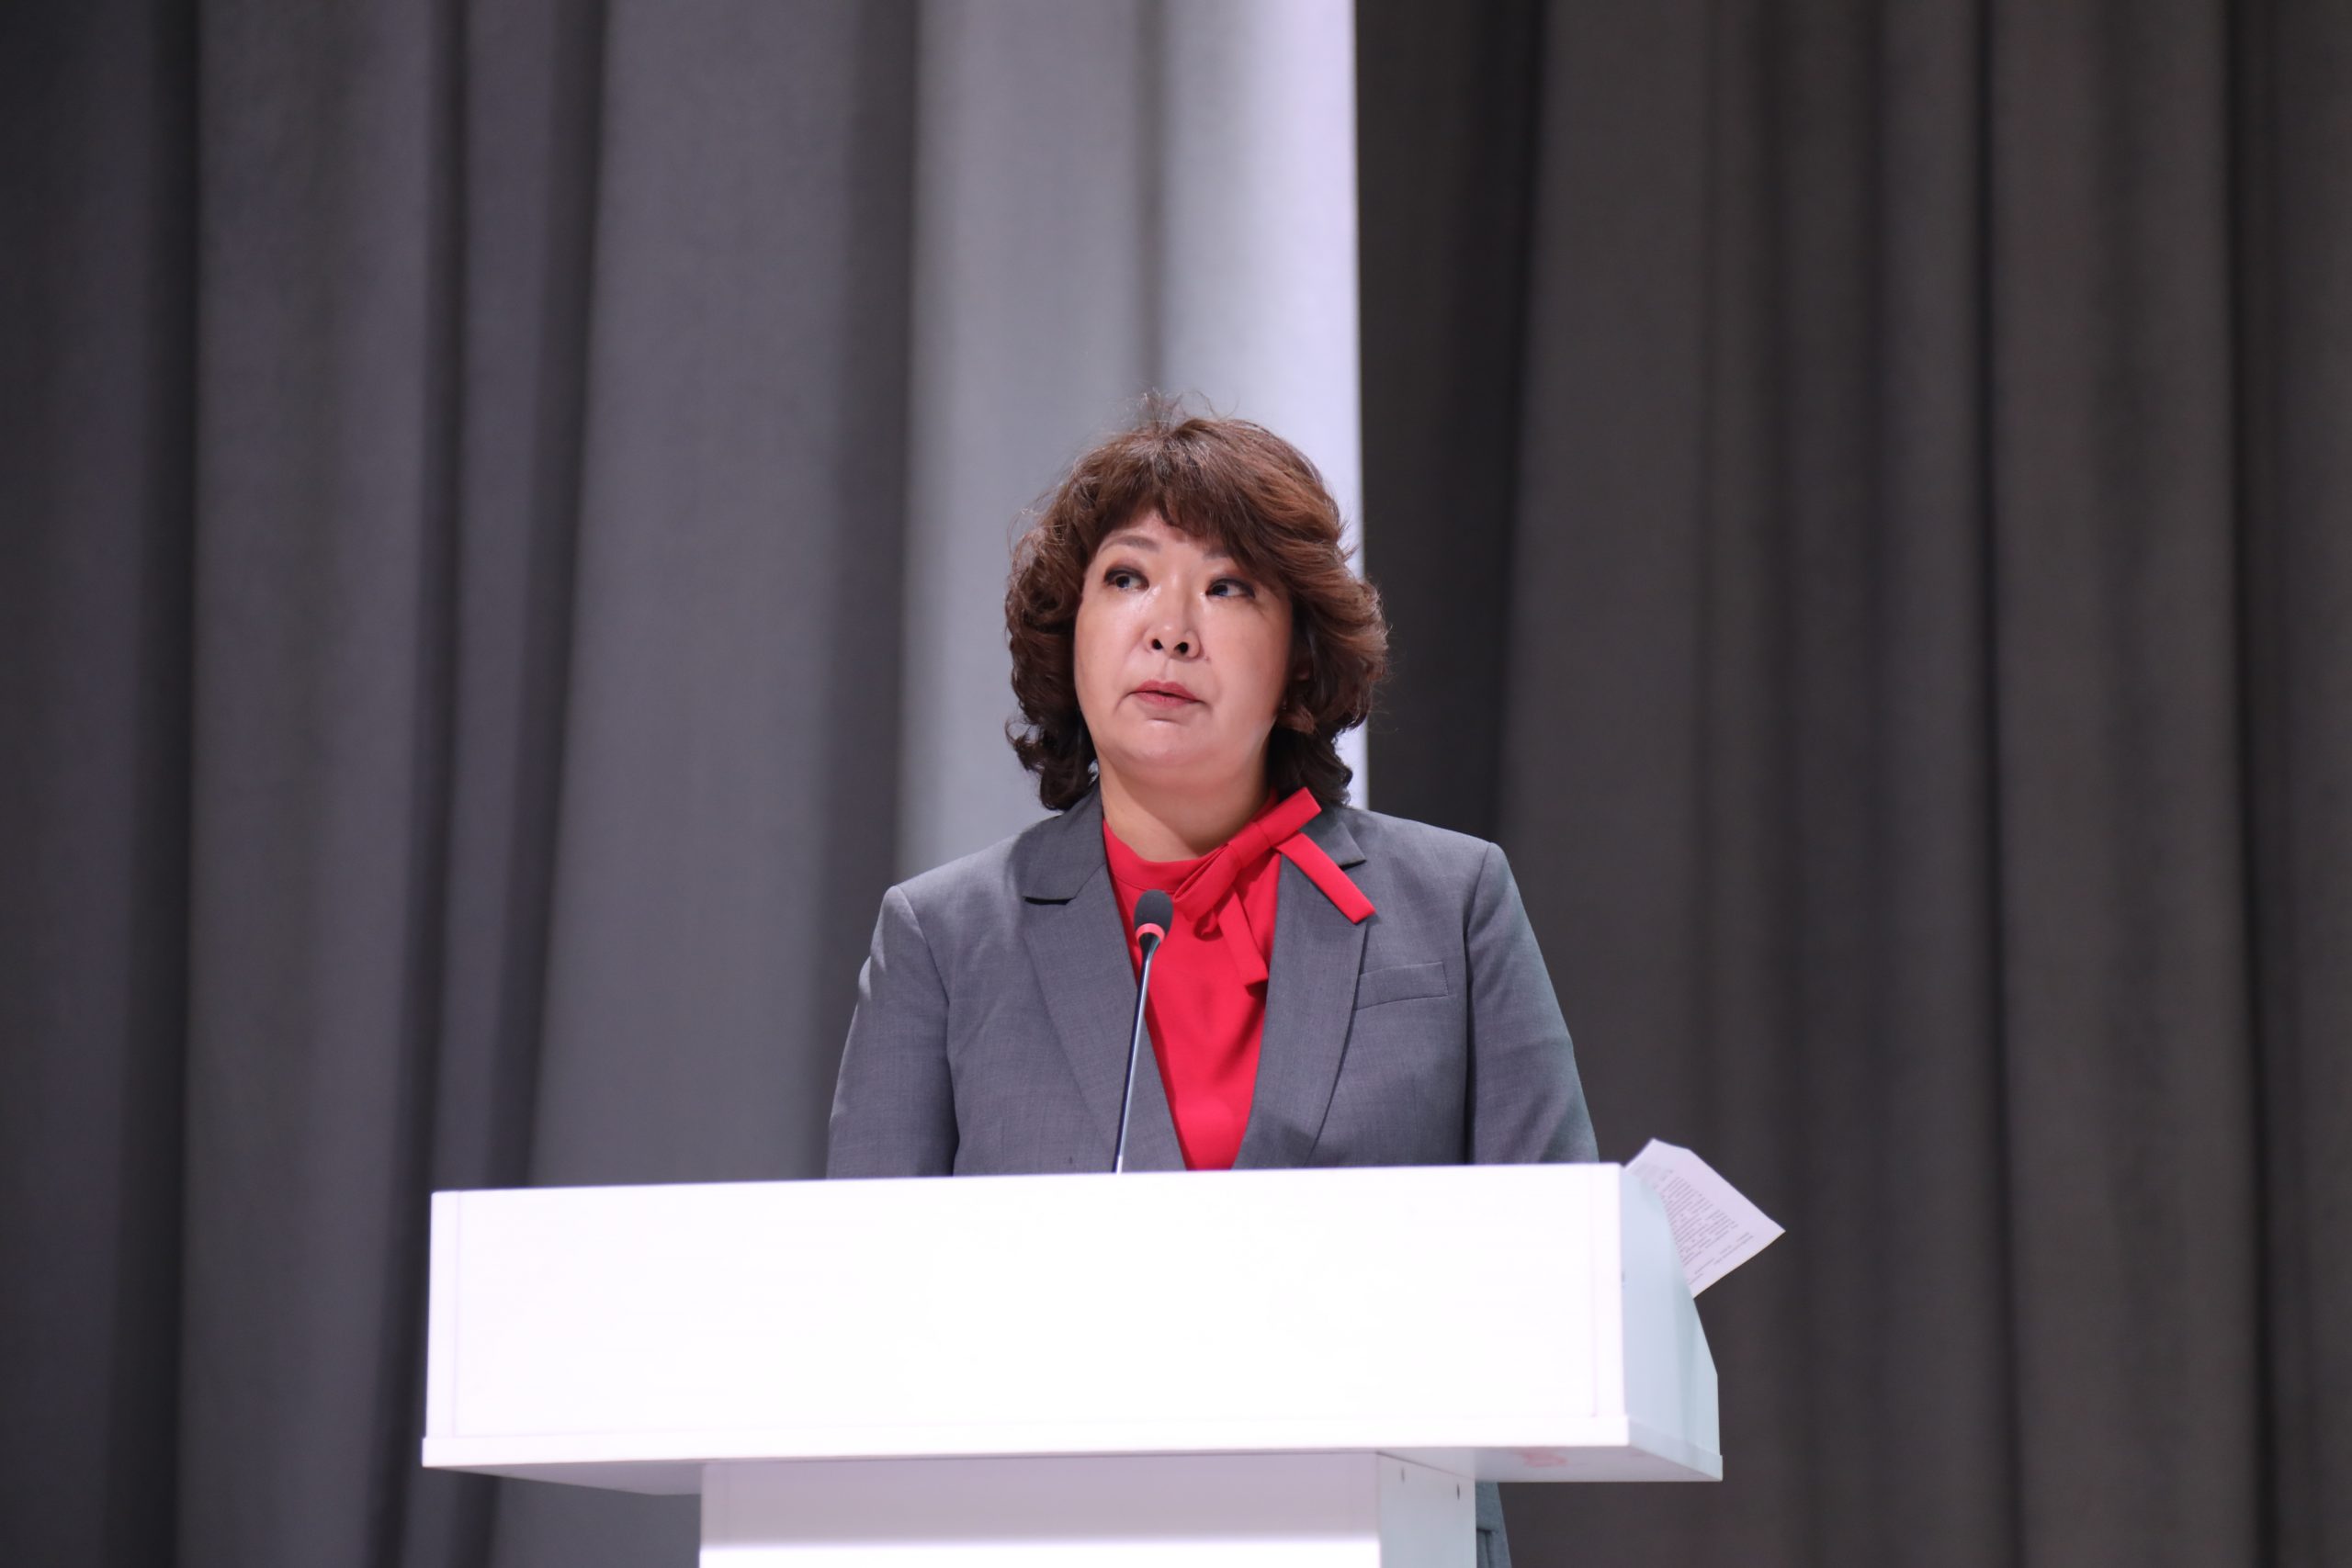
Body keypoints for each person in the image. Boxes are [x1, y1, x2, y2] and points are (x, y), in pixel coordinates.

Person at [826, 402, 1594, 1568]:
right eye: (1127, 579)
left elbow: (1555, 1271)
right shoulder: (944, 936)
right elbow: (865, 1314)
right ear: (1070, 638)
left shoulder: (1454, 901)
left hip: (1379, 1529)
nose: (1171, 629)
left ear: (1299, 665)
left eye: (1228, 588)